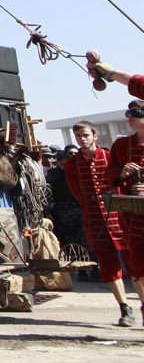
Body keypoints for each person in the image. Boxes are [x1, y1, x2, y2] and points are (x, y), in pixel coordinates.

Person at [62, 120, 138, 325]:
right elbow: (78, 193)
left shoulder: (110, 157)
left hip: (120, 219)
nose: (82, 139)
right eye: (78, 136)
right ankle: (124, 308)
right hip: (95, 221)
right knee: (109, 266)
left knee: (136, 265)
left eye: (85, 135)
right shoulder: (71, 165)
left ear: (94, 136)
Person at [86, 59, 144, 318]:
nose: (130, 118)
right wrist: (108, 72)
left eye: (135, 115)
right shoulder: (121, 146)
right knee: (138, 268)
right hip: (133, 217)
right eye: (128, 115)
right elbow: (138, 83)